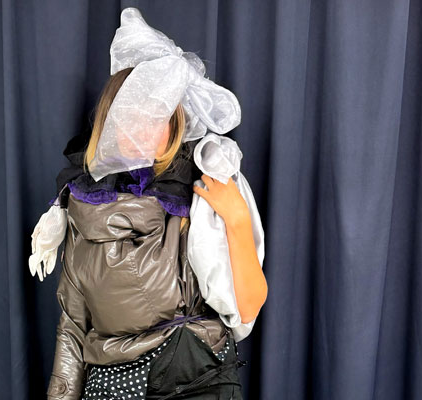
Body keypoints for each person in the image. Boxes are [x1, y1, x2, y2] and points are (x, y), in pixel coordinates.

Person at [30, 7, 268, 399]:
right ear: (110, 121)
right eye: (130, 115)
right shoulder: (81, 202)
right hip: (110, 387)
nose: (141, 128)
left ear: (174, 124)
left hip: (196, 378)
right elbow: (72, 326)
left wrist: (238, 220)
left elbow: (246, 310)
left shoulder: (203, 191)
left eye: (155, 115)